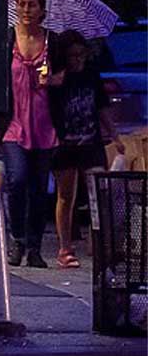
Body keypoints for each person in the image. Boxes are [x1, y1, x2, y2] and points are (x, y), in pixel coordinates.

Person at [47, 30, 114, 269]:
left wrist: (114, 135)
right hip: (65, 144)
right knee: (66, 196)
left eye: (81, 55)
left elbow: (102, 105)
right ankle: (65, 247)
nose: (77, 60)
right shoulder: (58, 80)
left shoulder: (91, 75)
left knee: (99, 192)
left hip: (91, 141)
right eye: (72, 55)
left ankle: (99, 243)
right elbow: (48, 110)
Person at [2, 0, 59, 269]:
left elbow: (71, 73)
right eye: (22, 4)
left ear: (41, 9)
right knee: (18, 179)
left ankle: (34, 247)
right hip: (14, 125)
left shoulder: (52, 42)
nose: (26, 9)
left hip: (45, 125)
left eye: (32, 5)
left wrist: (55, 79)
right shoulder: (8, 39)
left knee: (39, 188)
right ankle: (17, 239)